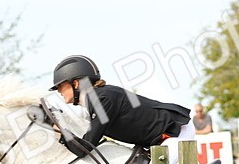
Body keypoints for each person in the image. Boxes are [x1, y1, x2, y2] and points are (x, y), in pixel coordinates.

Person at [47, 54, 193, 157]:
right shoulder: (96, 99)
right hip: (161, 140)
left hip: (175, 134)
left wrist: (60, 131)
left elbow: (84, 148)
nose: (59, 91)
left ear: (76, 83)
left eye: (60, 86)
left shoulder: (101, 100)